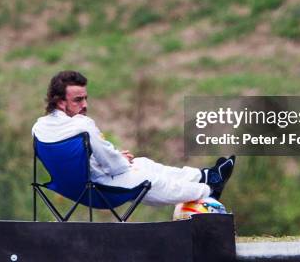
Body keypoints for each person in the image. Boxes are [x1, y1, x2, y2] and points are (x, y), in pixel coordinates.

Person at [32, 70, 235, 206]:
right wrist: (121, 160)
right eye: (78, 100)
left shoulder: (39, 128)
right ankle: (208, 190)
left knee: (142, 163)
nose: (84, 104)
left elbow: (71, 161)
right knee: (149, 179)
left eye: (85, 98)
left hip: (74, 187)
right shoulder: (82, 125)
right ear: (60, 102)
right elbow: (115, 166)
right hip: (98, 189)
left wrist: (117, 159)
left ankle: (207, 175)